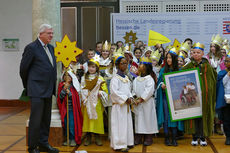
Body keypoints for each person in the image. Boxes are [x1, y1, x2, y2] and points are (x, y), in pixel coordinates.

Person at [20, 24, 59, 153]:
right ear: (41, 34)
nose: (51, 35)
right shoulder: (31, 48)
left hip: (48, 90)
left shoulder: (51, 48)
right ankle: (32, 147)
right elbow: (23, 69)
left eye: (52, 33)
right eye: (49, 33)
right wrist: (29, 85)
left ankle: (43, 143)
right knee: (36, 120)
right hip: (36, 90)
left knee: (45, 119)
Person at [182, 42, 217, 146]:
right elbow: (180, 78)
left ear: (202, 54)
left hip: (204, 97)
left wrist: (207, 90)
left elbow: (212, 80)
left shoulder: (208, 66)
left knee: (203, 116)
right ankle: (194, 136)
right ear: (191, 54)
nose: (196, 54)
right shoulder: (188, 66)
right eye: (194, 52)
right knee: (194, 116)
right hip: (193, 97)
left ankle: (202, 136)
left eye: (198, 52)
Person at [156, 47, 184, 146]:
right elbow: (158, 83)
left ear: (175, 59)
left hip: (176, 98)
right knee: (167, 117)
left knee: (175, 117)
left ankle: (174, 137)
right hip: (165, 97)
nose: (168, 60)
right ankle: (167, 137)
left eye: (171, 58)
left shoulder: (180, 70)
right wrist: (162, 86)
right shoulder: (163, 70)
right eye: (167, 57)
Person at [81, 55, 108, 146]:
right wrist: (85, 96)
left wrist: (101, 92)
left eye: (93, 67)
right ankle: (88, 136)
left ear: (97, 68)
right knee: (88, 119)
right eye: (89, 66)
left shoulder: (100, 79)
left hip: (97, 102)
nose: (91, 69)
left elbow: (105, 90)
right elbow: (82, 88)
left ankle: (97, 136)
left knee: (97, 120)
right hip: (87, 101)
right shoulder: (84, 78)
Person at [110, 53, 134, 152]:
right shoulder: (115, 79)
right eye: (122, 63)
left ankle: (127, 141)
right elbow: (114, 92)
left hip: (126, 106)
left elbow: (128, 90)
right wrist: (125, 99)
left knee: (126, 124)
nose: (124, 65)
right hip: (119, 106)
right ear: (117, 65)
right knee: (119, 125)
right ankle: (119, 144)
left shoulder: (126, 78)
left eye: (126, 63)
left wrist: (131, 97)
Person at [133, 57, 158, 146]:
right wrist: (134, 97)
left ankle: (148, 136)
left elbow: (149, 90)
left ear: (147, 67)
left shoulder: (149, 79)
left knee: (147, 119)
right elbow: (134, 89)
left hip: (147, 103)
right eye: (139, 64)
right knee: (139, 119)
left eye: (141, 64)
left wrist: (141, 99)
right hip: (138, 103)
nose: (139, 66)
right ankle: (139, 135)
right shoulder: (136, 79)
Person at [57, 69, 83, 146]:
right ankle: (68, 139)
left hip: (72, 109)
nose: (67, 77)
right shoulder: (61, 85)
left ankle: (73, 139)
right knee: (66, 124)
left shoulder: (74, 86)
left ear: (72, 77)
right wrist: (64, 90)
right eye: (65, 75)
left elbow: (76, 98)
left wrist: (70, 94)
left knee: (72, 124)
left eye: (68, 75)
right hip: (65, 109)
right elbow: (60, 97)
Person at [216, 52, 230, 145]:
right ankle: (228, 136)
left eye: (228, 61)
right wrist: (228, 74)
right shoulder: (222, 73)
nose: (227, 63)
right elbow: (222, 84)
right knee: (227, 119)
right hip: (226, 100)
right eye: (226, 61)